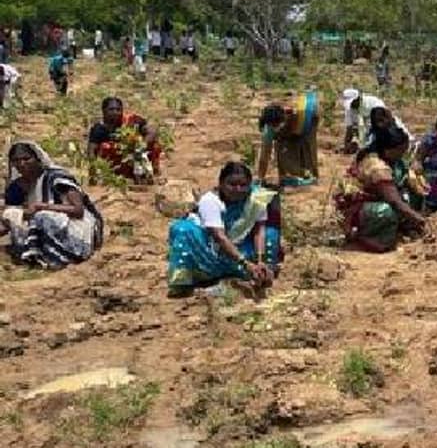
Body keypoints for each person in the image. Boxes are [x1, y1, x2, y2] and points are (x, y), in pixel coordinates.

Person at [167, 162, 281, 297]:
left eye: (243, 185)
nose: (237, 189)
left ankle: (262, 273)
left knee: (271, 233)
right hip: (210, 251)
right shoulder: (210, 201)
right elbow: (219, 237)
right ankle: (186, 284)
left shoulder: (255, 200)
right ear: (221, 184)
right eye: (232, 184)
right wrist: (245, 263)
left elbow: (259, 231)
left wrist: (259, 260)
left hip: (240, 248)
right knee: (183, 229)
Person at [1, 142, 103, 269]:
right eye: (16, 160)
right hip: (45, 226)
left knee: (42, 216)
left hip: (77, 227)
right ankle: (38, 253)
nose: (22, 164)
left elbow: (78, 210)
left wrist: (42, 207)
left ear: (37, 159)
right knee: (11, 213)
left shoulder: (56, 178)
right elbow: (9, 219)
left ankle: (61, 256)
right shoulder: (18, 187)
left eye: (26, 159)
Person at [335, 126, 429, 252]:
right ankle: (369, 239)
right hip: (355, 208)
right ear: (388, 150)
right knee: (386, 211)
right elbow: (394, 201)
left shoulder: (391, 160)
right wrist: (420, 220)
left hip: (374, 198)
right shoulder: (377, 167)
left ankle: (400, 229)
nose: (403, 154)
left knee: (410, 193)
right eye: (401, 150)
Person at [87, 97, 163, 182]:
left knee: (155, 146)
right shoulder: (99, 129)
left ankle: (153, 172)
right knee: (106, 147)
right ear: (104, 111)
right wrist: (93, 173)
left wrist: (141, 146)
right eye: (111, 109)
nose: (115, 112)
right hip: (116, 165)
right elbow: (91, 152)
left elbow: (152, 131)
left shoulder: (132, 121)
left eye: (118, 109)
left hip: (137, 157)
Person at [256, 91, 321, 187]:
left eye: (277, 125)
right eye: (273, 126)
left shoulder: (303, 113)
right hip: (294, 123)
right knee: (283, 150)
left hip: (310, 118)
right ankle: (285, 176)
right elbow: (265, 154)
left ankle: (312, 176)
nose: (275, 128)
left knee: (307, 148)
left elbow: (310, 142)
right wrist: (261, 178)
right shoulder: (269, 128)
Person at [340, 89, 403, 153]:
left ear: (358, 98)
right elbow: (349, 129)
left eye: (353, 102)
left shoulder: (374, 103)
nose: (352, 105)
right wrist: (347, 145)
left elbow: (384, 123)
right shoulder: (349, 109)